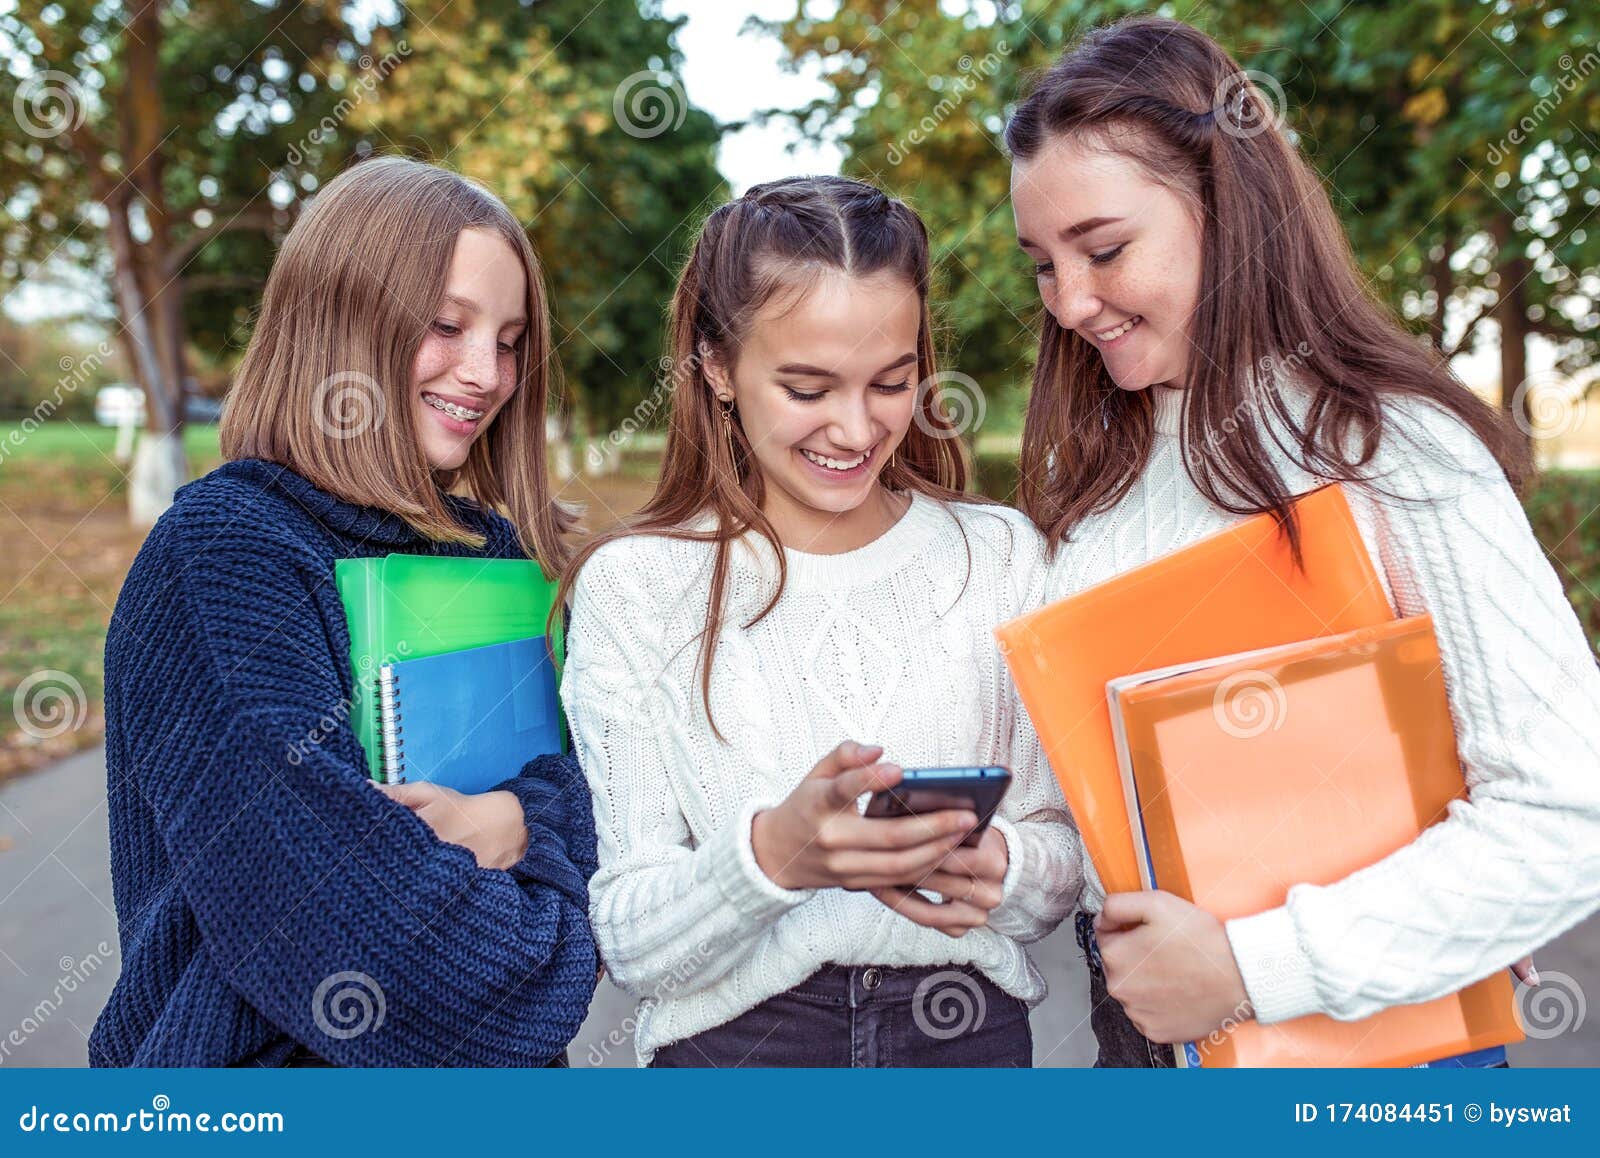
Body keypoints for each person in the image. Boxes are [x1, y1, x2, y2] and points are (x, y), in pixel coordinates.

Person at [1006, 16, 1600, 1066]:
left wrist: (1248, 966)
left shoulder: (1390, 450)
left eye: (1102, 250)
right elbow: (1090, 823)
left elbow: (1569, 816)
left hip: (1373, 1062)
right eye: (1043, 265)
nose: (1071, 303)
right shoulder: (1086, 487)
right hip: (1139, 1049)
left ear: (1227, 210)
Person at [558, 176, 1082, 1067]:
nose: (855, 426)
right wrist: (774, 858)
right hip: (738, 1057)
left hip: (962, 1043)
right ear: (717, 367)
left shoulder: (999, 557)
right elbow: (632, 942)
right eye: (807, 387)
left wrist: (1002, 867)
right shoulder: (638, 586)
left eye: (892, 381)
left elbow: (1066, 856)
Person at [90, 156, 598, 1067]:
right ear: (342, 323)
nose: (486, 374)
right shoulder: (228, 551)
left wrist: (519, 820)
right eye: (448, 326)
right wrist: (575, 936)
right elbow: (349, 930)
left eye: (511, 340)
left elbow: (619, 788)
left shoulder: (502, 557)